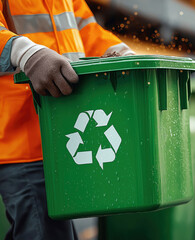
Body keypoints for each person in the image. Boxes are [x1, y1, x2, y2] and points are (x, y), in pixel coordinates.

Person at [0, 0, 134, 239]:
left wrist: (119, 52)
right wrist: (27, 54)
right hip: (24, 141)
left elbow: (85, 29)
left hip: (64, 132)